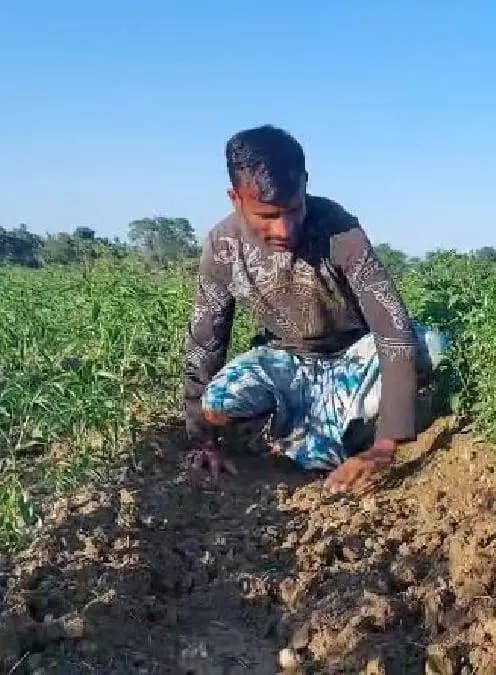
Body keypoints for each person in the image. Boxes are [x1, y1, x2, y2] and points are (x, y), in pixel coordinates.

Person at [182, 125, 447, 494]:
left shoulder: (338, 228)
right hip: (287, 366)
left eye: (294, 209)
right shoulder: (222, 246)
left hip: (353, 360)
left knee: (430, 345)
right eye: (267, 216)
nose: (284, 229)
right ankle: (292, 431)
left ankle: (371, 426)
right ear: (235, 198)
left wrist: (385, 447)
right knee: (217, 401)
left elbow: (392, 327)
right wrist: (204, 440)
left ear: (305, 183)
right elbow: (204, 344)